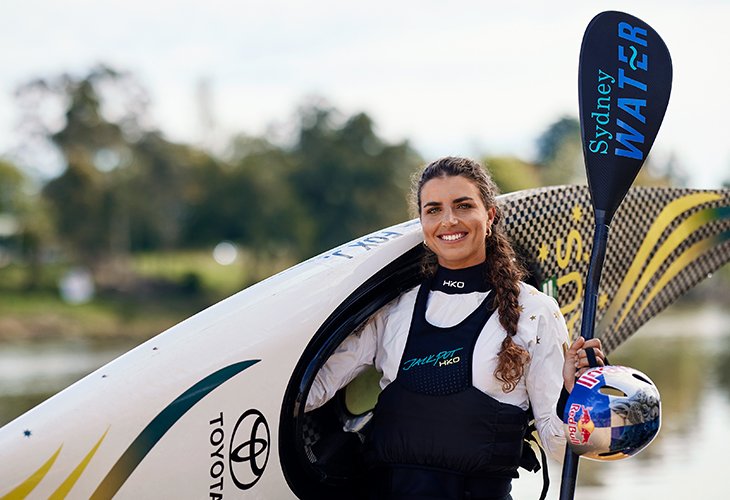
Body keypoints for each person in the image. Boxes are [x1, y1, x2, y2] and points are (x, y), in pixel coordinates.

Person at [306, 156, 605, 500]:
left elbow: (558, 448)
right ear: (421, 221)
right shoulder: (393, 308)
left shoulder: (534, 311)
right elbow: (315, 388)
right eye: (433, 210)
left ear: (489, 215)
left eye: (463, 206)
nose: (448, 220)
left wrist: (575, 397)